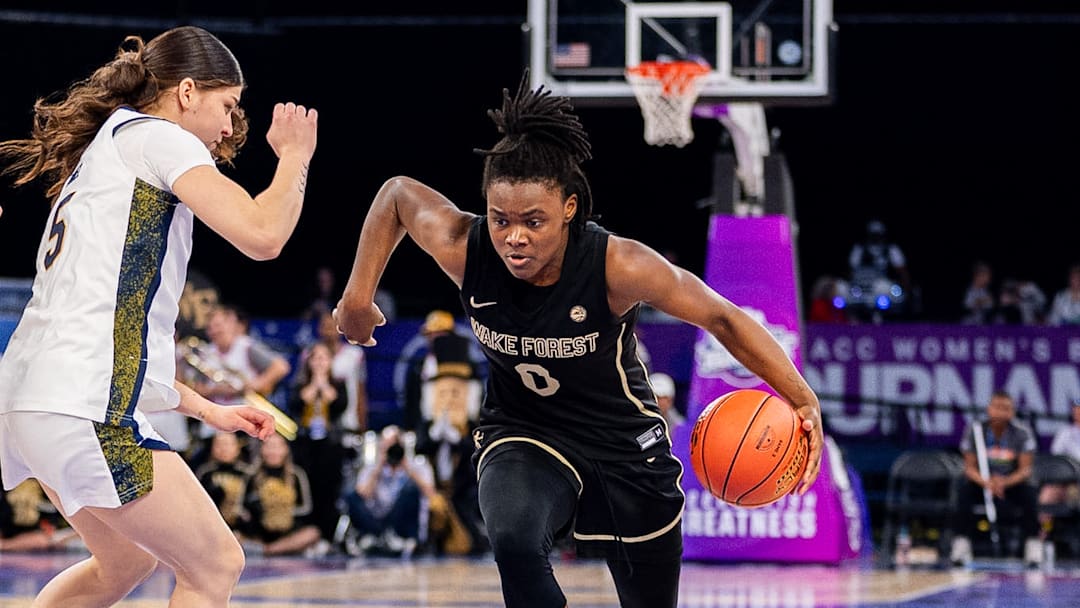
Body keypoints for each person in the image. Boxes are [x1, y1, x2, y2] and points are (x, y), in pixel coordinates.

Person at [333, 73, 823, 608]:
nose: (514, 236)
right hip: (523, 431)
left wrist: (800, 396)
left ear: (569, 208)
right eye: (500, 220)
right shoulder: (464, 248)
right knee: (514, 539)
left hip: (622, 443)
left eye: (533, 221)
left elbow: (723, 318)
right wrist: (358, 296)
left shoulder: (618, 264)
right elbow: (397, 194)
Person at [0, 25, 316, 606]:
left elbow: (107, 327)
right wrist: (295, 157)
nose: (229, 126)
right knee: (216, 564)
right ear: (187, 91)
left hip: (33, 397)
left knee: (123, 562)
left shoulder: (107, 150)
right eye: (228, 105)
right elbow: (263, 235)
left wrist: (202, 408)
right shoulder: (159, 137)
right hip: (80, 401)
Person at [949, 390, 1041, 568]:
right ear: (989, 409)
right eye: (997, 407)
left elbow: (1025, 470)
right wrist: (987, 482)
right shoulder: (975, 430)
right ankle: (961, 543)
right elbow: (969, 468)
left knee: (1029, 492)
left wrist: (1003, 483)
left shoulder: (1022, 432)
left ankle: (1033, 544)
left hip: (1011, 483)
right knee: (964, 490)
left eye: (1006, 408)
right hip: (983, 482)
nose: (1001, 412)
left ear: (1012, 411)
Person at [287, 341, 349, 543]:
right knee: (307, 487)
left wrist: (324, 385)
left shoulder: (338, 384)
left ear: (331, 361)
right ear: (309, 361)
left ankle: (328, 535)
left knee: (329, 488)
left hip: (330, 444)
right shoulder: (300, 384)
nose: (320, 362)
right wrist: (315, 384)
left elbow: (339, 404)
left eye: (324, 358)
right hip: (306, 444)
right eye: (316, 357)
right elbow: (296, 404)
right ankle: (308, 534)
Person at [341, 425, 435, 557]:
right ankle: (375, 537)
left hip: (401, 522)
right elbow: (361, 496)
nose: (392, 450)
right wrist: (379, 467)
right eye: (387, 446)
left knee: (411, 490)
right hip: (376, 519)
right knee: (350, 494)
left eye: (395, 446)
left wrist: (407, 468)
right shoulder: (372, 467)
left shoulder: (417, 465)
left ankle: (397, 538)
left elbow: (431, 495)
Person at [237, 432, 324, 557]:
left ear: (285, 449)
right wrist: (257, 512)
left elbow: (307, 508)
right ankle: (265, 548)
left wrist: (283, 512)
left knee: (312, 533)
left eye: (277, 446)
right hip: (258, 532)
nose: (273, 451)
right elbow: (240, 508)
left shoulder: (296, 474)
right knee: (235, 535)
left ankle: (268, 550)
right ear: (262, 449)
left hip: (287, 533)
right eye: (269, 446)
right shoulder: (252, 475)